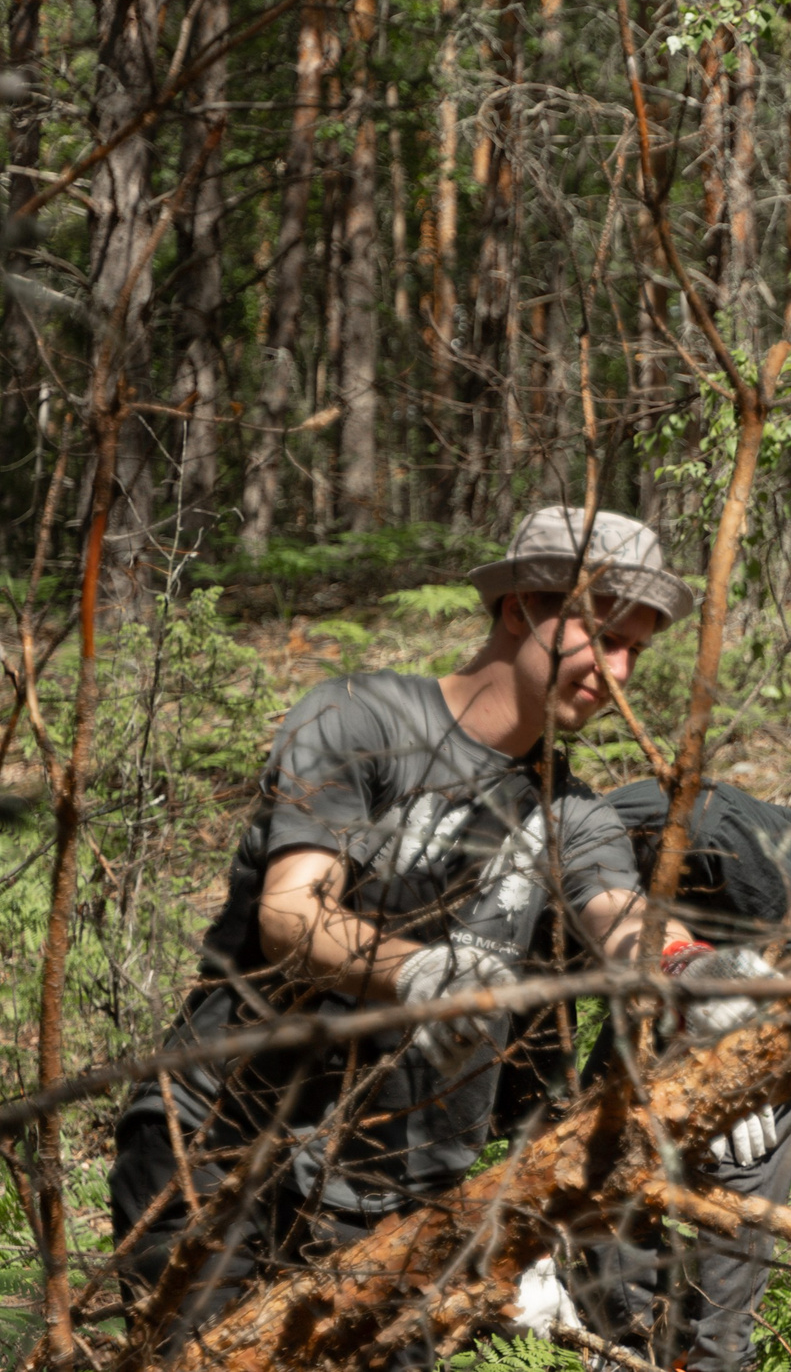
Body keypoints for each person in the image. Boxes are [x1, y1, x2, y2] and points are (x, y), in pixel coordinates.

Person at [109, 508, 751, 1348]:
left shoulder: (572, 810)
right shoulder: (360, 719)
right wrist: (423, 975)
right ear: (521, 604)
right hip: (220, 1146)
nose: (618, 669)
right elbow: (289, 913)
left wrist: (695, 977)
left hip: (387, 1201)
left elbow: (625, 922)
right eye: (601, 633)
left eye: (638, 649)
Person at [566, 777, 791, 1372]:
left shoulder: (709, 839)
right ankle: (630, 1341)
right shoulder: (504, 906)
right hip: (665, 968)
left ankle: (720, 1357)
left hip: (783, 955)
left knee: (742, 1160)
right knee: (602, 1130)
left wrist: (747, 1061)